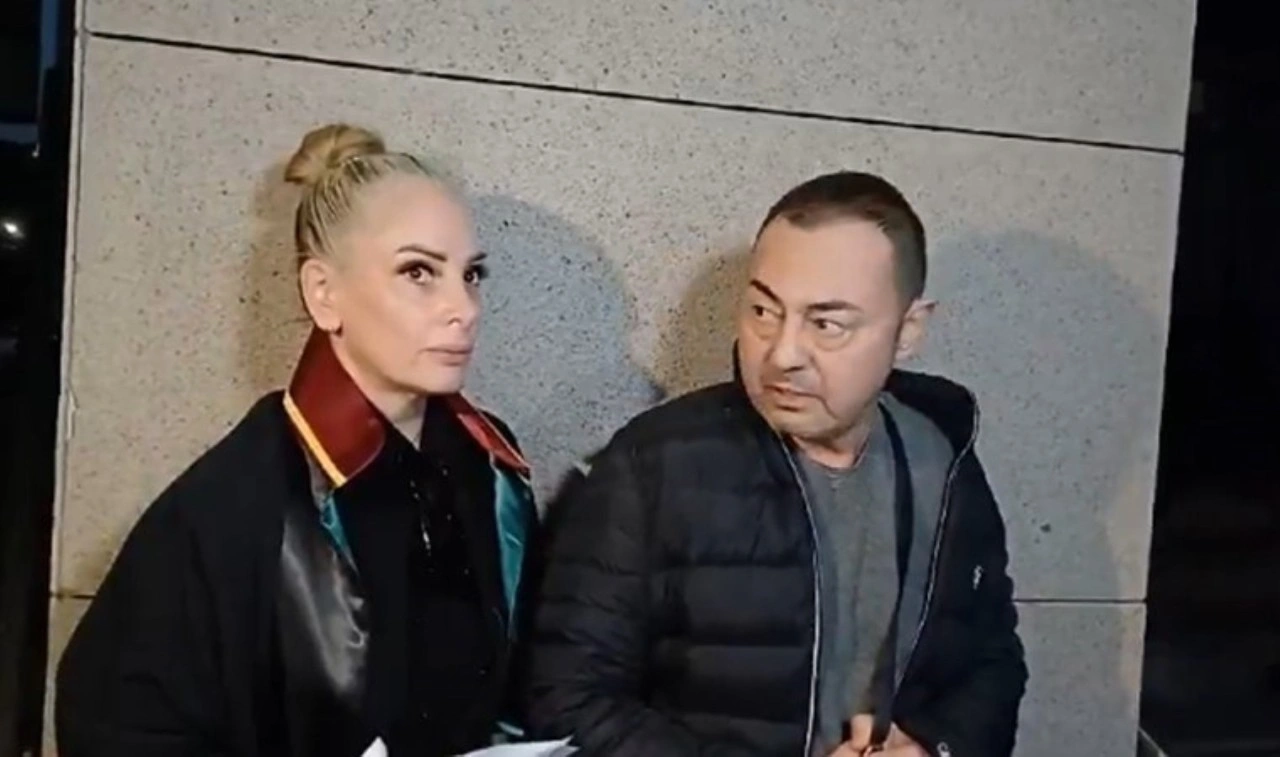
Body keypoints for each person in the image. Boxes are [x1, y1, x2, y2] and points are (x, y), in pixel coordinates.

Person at [56, 124, 539, 757]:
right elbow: (114, 725)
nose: (465, 308)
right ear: (323, 293)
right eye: (418, 271)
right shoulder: (236, 503)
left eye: (472, 274)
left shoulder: (490, 469)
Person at [527, 172, 1027, 756]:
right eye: (764, 311)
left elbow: (992, 660)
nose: (782, 354)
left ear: (908, 330)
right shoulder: (654, 463)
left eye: (827, 324)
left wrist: (932, 745)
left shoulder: (944, 457)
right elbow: (566, 700)